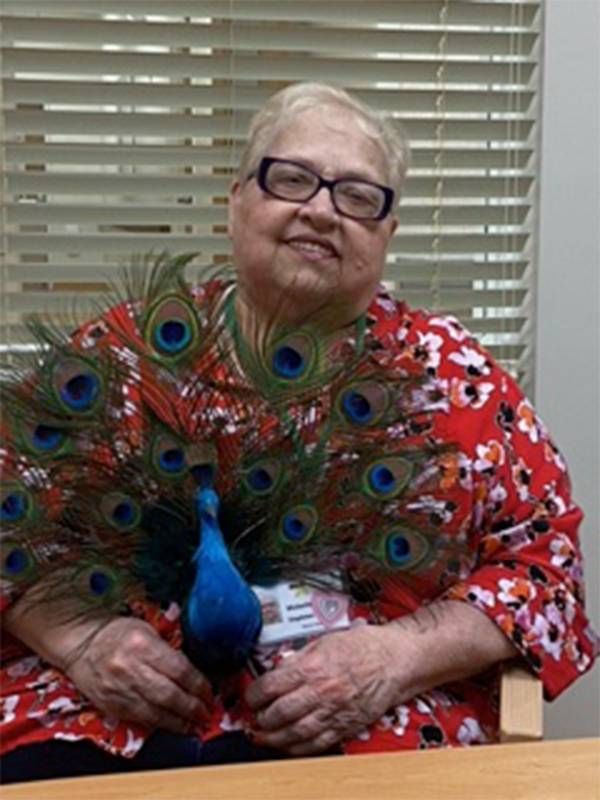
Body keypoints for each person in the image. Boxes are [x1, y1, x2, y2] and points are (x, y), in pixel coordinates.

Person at [1, 82, 597, 782]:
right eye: (292, 180)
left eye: (357, 196)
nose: (320, 210)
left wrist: (395, 657)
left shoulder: (452, 375)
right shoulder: (118, 355)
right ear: (236, 202)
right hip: (107, 717)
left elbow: (545, 568)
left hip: (373, 728)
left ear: (387, 233)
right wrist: (80, 641)